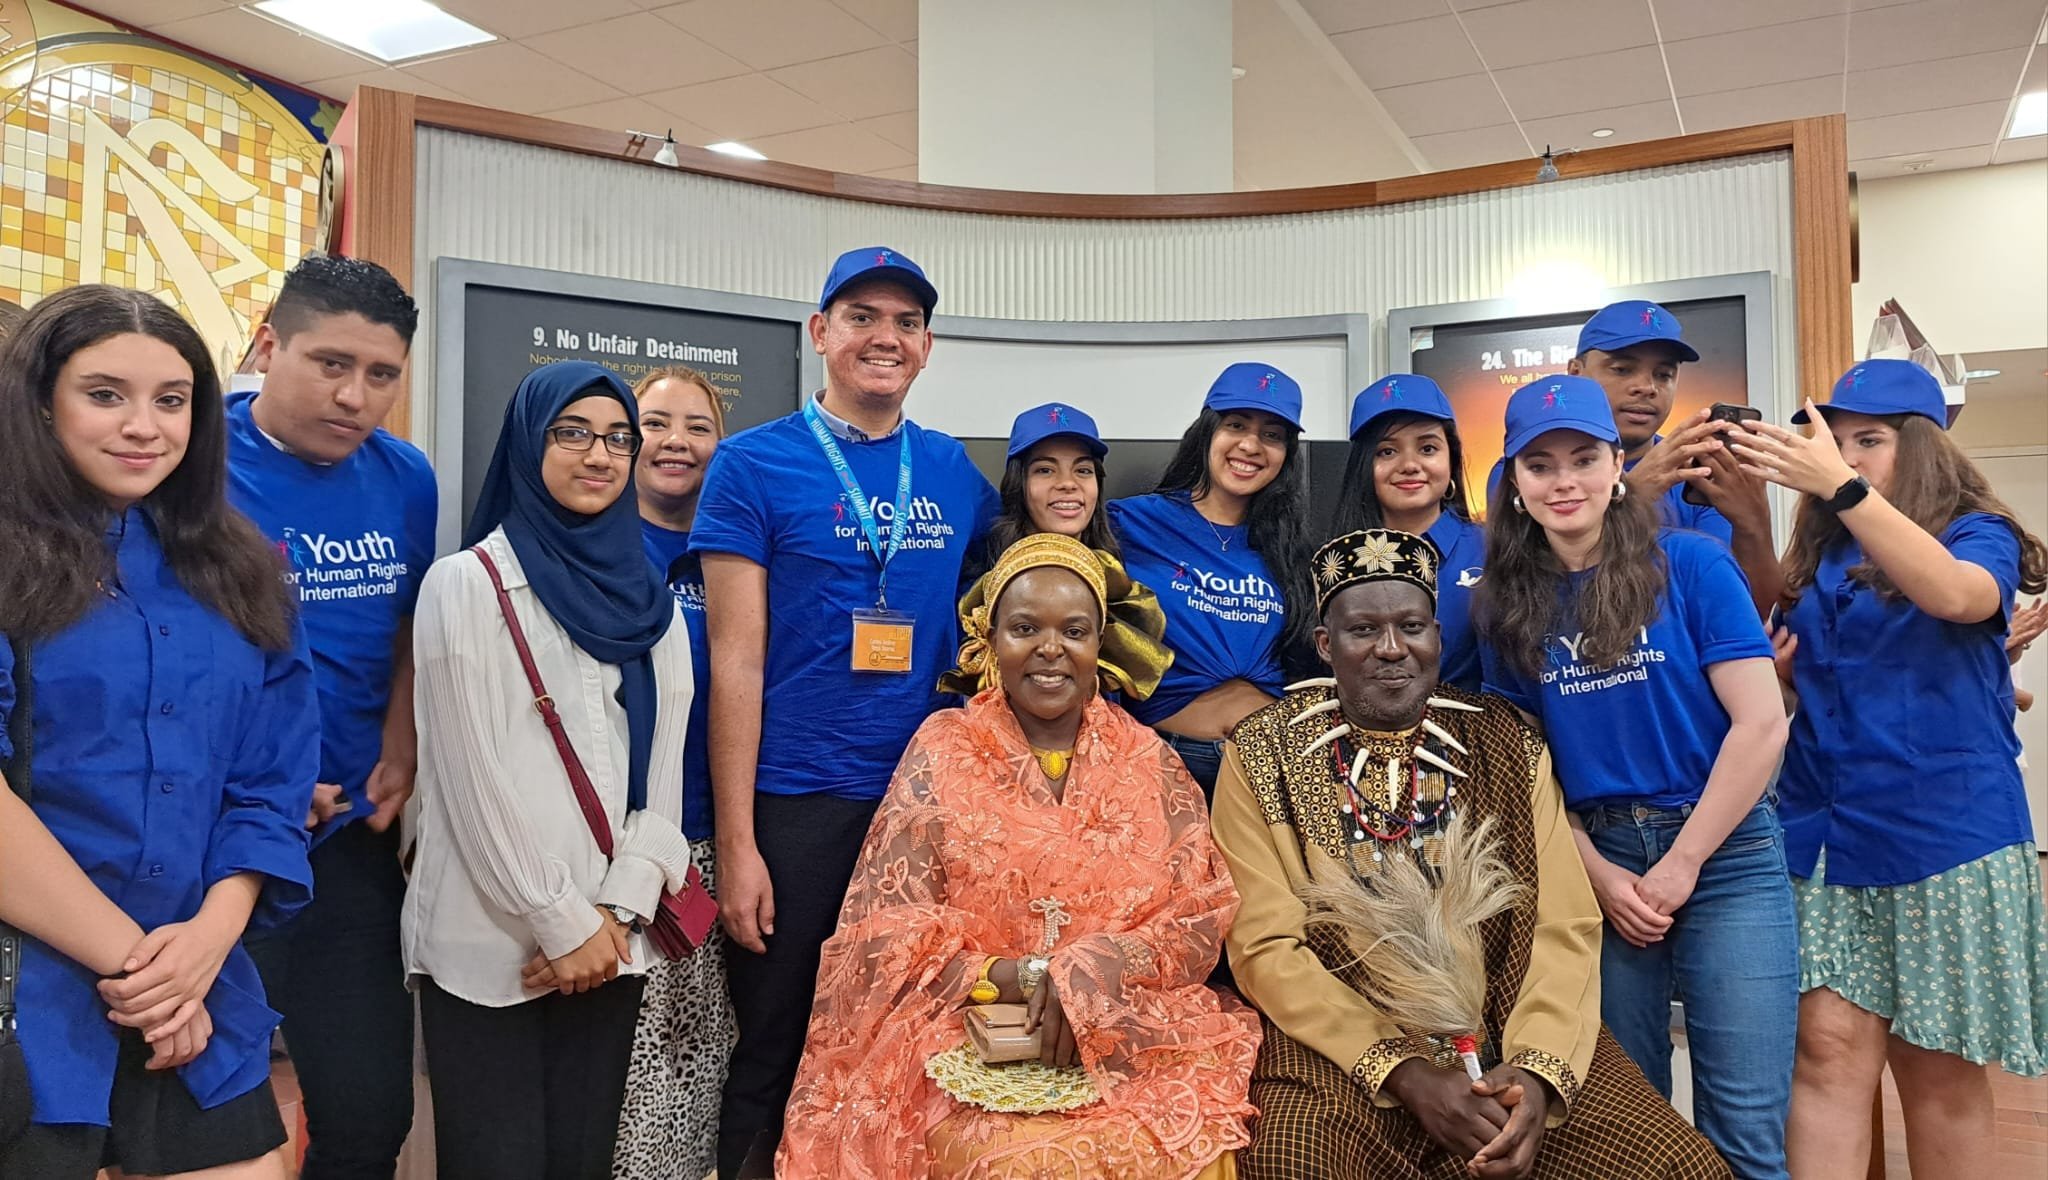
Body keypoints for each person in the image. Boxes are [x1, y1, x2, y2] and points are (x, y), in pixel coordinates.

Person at [1214, 527, 1726, 1179]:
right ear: (1325, 645)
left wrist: (1537, 1074)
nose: (1391, 648)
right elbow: (1264, 946)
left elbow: (1565, 924)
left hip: (1508, 1029)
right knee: (1291, 1162)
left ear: (1437, 636)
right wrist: (1402, 1071)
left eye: (1411, 627)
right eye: (1363, 630)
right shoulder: (1264, 750)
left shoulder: (1506, 741)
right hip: (1341, 1053)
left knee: (1676, 1163)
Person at [776, 534, 1259, 1178]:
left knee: (1193, 1142)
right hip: (959, 1026)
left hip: (1124, 1021)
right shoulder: (943, 749)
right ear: (990, 640)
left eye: (1075, 631)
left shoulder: (1150, 761)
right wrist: (1028, 977)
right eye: (1025, 628)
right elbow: (884, 936)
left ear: (1101, 644)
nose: (1050, 649)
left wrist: (1101, 968)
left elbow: (1200, 915)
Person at [691, 247, 998, 1176]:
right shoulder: (751, 464)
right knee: (776, 1041)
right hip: (797, 804)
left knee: (904, 1042)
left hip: (925, 807)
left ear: (928, 346)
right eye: (862, 317)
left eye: (906, 322)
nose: (885, 337)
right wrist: (738, 845)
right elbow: (733, 663)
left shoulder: (951, 471)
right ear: (821, 332)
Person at [0, 284, 318, 1179]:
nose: (144, 426)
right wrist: (149, 974)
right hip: (34, 996)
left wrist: (208, 941)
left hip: (201, 987)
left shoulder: (243, 570)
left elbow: (271, 787)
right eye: (105, 395)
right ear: (40, 402)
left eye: (171, 400)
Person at [1728, 359, 2048, 1180]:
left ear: (1923, 448)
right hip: (1824, 837)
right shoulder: (1821, 552)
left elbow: (1959, 597)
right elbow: (1816, 681)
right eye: (1833, 442)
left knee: (1938, 1069)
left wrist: (1842, 490)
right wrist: (1783, 672)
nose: (1845, 457)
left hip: (1946, 839)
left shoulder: (1976, 531)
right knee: (1827, 1055)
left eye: (1867, 440)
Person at [1476, 376, 1795, 1178]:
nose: (1564, 482)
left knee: (1746, 1127)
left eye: (1584, 458)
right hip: (1600, 866)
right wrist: (1597, 870)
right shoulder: (1507, 606)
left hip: (1727, 856)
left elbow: (1762, 723)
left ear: (1617, 465)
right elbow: (1526, 765)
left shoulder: (1691, 563)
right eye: (1540, 465)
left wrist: (1682, 862)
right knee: (1629, 1124)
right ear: (1516, 483)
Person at [403, 361, 693, 1180]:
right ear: (529, 445)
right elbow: (469, 784)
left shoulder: (653, 604)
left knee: (582, 1161)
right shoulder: (465, 586)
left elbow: (664, 775)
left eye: (618, 439)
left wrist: (619, 913)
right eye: (573, 434)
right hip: (493, 944)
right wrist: (562, 923)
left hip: (611, 946)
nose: (598, 455)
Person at [227, 254, 433, 1180]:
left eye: (381, 374)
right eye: (331, 364)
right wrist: (260, 784)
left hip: (347, 837)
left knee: (370, 1113)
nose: (355, 397)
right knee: (209, 1121)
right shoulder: (190, 463)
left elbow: (408, 625)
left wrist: (400, 741)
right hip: (216, 842)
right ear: (270, 346)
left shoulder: (405, 477)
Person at [618, 367, 737, 1179]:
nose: (676, 442)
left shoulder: (735, 553)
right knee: (628, 1051)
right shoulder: (595, 544)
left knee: (699, 1044)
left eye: (698, 427)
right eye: (656, 423)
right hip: (620, 839)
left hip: (712, 835)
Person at [1486, 301, 1782, 616]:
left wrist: (1754, 522)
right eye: (1622, 369)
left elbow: (1750, 610)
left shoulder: (1697, 472)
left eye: (1664, 374)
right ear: (1575, 373)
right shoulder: (1523, 475)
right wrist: (1632, 492)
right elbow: (1531, 599)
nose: (1646, 387)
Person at [1107, 362, 1316, 796]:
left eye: (1272, 435)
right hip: (1163, 761)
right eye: (1236, 425)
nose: (1251, 445)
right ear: (1206, 432)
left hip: (1270, 766)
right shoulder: (1131, 522)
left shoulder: (1291, 549)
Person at [1333, 374, 1486, 691]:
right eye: (1387, 452)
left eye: (1427, 448)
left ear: (1451, 458)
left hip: (1481, 720)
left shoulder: (1492, 550)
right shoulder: (1337, 562)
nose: (1410, 465)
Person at [961, 401, 1119, 587]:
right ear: (1018, 483)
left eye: (1083, 470)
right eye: (1045, 470)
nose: (1068, 483)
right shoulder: (982, 584)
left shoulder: (1117, 573)